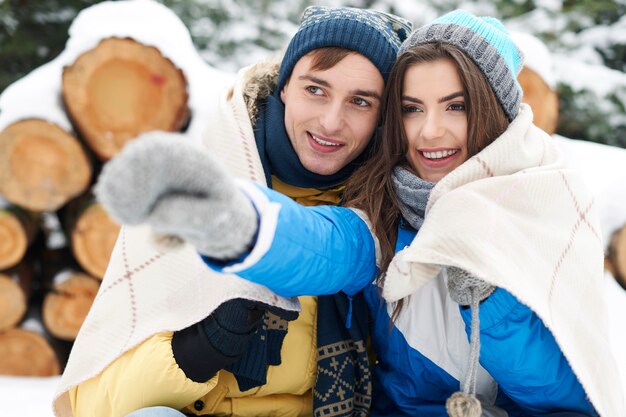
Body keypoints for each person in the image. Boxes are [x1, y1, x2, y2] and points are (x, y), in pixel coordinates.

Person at [97, 9, 625, 417]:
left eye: (456, 106)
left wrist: (495, 302)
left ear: (496, 113)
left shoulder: (552, 199)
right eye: (412, 108)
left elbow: (569, 393)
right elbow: (327, 245)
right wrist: (240, 223)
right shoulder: (389, 206)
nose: (428, 132)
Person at [62, 5, 411, 417]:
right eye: (315, 90)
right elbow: (92, 403)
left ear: (382, 118)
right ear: (284, 87)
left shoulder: (382, 216)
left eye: (360, 101)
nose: (332, 121)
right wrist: (200, 349)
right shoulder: (201, 195)